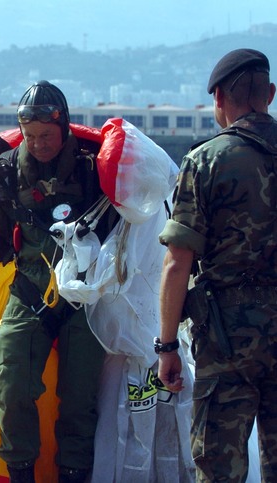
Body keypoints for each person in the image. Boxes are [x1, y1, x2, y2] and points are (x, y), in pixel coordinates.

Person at [0, 81, 118, 483]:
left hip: (86, 297)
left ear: (63, 128)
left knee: (80, 401)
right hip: (30, 292)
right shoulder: (7, 173)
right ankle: (21, 474)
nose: (39, 144)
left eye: (46, 136)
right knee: (11, 386)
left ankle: (74, 475)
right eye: (30, 136)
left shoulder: (93, 168)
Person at [157, 48, 277, 482]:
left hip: (228, 338)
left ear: (220, 98)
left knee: (219, 465)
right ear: (271, 93)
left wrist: (167, 347)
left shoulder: (207, 161)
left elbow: (177, 263)